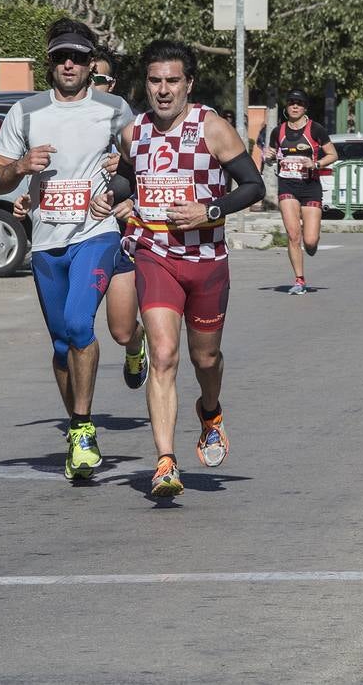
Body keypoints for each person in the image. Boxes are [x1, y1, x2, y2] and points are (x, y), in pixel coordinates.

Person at [115, 40, 264, 497]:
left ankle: (211, 411)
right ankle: (165, 461)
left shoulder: (211, 128)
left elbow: (253, 186)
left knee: (205, 359)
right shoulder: (133, 132)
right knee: (162, 355)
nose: (163, 91)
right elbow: (126, 176)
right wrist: (115, 198)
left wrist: (210, 212)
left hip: (206, 262)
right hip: (155, 254)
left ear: (189, 84)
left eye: (172, 81)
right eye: (155, 81)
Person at [0, 19, 135, 482]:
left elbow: (141, 162)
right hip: (47, 239)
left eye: (77, 56)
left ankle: (82, 426)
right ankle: (78, 430)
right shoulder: (26, 112)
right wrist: (20, 167)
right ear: (50, 63)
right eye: (59, 57)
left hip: (96, 232)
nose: (68, 64)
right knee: (60, 344)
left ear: (92, 63)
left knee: (78, 325)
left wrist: (120, 175)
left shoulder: (114, 108)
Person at [57, 47, 148, 389]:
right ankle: (80, 414)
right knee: (74, 325)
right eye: (87, 77)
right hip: (75, 235)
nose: (91, 85)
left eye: (99, 79)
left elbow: (157, 176)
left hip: (121, 233)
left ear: (112, 84)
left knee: (122, 329)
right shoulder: (61, 121)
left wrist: (133, 197)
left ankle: (136, 345)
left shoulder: (133, 127)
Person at [262, 89, 337, 295]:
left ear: (305, 107)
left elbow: (333, 154)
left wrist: (316, 163)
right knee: (293, 234)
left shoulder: (316, 129)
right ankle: (299, 280)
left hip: (310, 186)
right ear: (286, 107)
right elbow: (271, 156)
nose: (295, 106)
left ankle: (311, 245)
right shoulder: (278, 131)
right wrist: (267, 156)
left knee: (310, 241)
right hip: (287, 185)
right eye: (291, 103)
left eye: (299, 103)